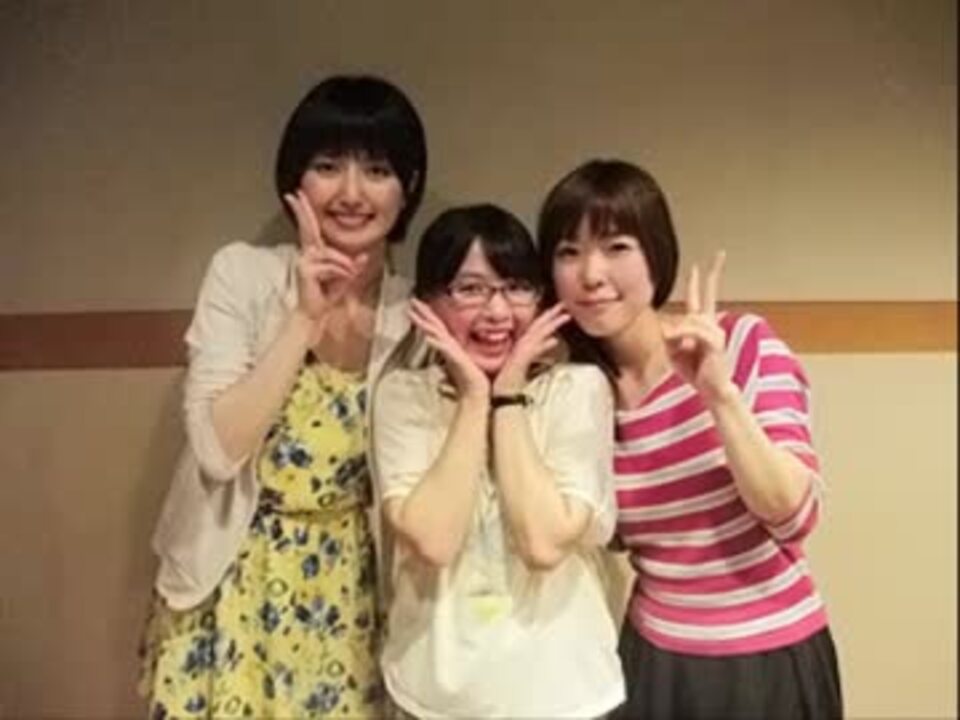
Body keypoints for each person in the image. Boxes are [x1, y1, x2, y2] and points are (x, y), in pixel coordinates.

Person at [138, 75, 427, 718]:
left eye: (377, 170)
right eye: (327, 166)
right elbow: (217, 452)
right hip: (232, 578)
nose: (351, 192)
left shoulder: (414, 313)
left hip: (352, 594)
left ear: (408, 186)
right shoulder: (242, 274)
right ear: (295, 178)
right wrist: (303, 320)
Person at [537, 159, 843, 719]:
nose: (591, 274)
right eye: (568, 252)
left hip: (769, 658)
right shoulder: (579, 395)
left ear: (656, 254)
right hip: (655, 662)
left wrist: (719, 395)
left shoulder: (741, 344)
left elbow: (794, 516)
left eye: (616, 246)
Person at [371, 204, 625, 718]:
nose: (498, 312)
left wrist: (507, 394)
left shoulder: (577, 389)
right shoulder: (403, 395)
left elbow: (543, 543)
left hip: (564, 694)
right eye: (469, 289)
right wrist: (472, 399)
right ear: (426, 303)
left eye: (516, 288)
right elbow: (434, 542)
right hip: (432, 695)